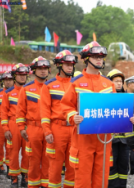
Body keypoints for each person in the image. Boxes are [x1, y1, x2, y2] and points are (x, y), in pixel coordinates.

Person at [60, 41, 134, 188]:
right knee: (82, 181)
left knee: (101, 180)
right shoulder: (76, 83)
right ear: (86, 59)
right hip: (83, 139)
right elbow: (65, 105)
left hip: (104, 140)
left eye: (101, 56)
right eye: (95, 56)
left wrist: (127, 119)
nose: (99, 59)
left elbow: (115, 109)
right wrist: (72, 115)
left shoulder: (109, 84)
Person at [40, 50, 78, 188]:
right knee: (55, 166)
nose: (70, 67)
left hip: (74, 129)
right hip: (57, 129)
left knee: (73, 166)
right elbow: (44, 112)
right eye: (67, 64)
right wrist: (47, 131)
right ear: (59, 65)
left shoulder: (76, 84)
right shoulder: (49, 86)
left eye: (72, 65)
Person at [17, 56, 51, 188]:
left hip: (49, 129)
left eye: (45, 69)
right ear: (33, 70)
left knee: (49, 160)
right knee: (34, 161)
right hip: (33, 129)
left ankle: (46, 185)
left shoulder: (52, 87)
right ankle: (33, 185)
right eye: (40, 69)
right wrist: (21, 128)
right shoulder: (26, 89)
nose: (43, 71)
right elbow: (20, 111)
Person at [1, 65, 29, 187]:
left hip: (27, 125)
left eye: (24, 75)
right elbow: (3, 113)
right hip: (13, 125)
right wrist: (6, 129)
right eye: (20, 75)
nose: (22, 77)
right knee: (13, 152)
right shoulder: (8, 93)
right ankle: (14, 177)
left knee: (28, 153)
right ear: (14, 76)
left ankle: (25, 176)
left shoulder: (30, 91)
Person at [107, 69, 130, 187]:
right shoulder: (105, 98)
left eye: (120, 81)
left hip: (124, 140)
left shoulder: (127, 98)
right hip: (110, 140)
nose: (119, 83)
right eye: (116, 81)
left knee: (123, 165)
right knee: (111, 166)